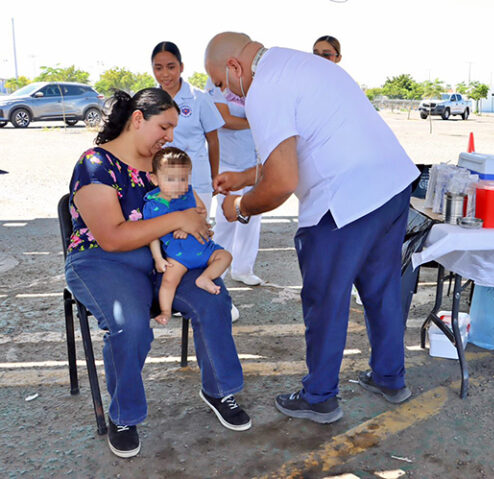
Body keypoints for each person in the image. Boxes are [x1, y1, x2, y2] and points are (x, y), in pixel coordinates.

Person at [204, 32, 419, 424]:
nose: (226, 92)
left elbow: (282, 181)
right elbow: (301, 147)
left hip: (343, 200)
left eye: (221, 83)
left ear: (234, 66)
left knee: (326, 299)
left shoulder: (263, 89)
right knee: (382, 288)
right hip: (390, 187)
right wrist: (245, 177)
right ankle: (390, 377)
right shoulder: (297, 65)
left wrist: (240, 207)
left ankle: (320, 396)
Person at [64, 89, 250, 459]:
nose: (170, 136)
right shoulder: (95, 164)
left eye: (173, 129)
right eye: (164, 126)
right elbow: (112, 237)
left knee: (213, 299)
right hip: (102, 261)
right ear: (138, 119)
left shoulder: (161, 165)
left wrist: (196, 221)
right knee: (129, 325)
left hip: (164, 260)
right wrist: (177, 218)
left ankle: (218, 389)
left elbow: (194, 212)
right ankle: (124, 415)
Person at [144, 147, 233, 325]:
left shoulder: (189, 193)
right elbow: (151, 235)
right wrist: (158, 259)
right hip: (179, 256)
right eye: (171, 179)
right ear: (155, 179)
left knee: (225, 256)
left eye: (183, 179)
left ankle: (205, 278)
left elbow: (201, 212)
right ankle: (165, 311)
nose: (178, 184)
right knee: (169, 281)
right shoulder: (153, 205)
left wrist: (187, 226)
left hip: (204, 248)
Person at [151, 41, 224, 211]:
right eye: (158, 68)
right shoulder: (149, 101)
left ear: (181, 67)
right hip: (161, 183)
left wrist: (214, 177)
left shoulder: (200, 99)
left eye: (171, 67)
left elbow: (213, 141)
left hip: (196, 180)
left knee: (198, 226)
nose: (165, 74)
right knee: (164, 227)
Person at [205, 78, 264, 286]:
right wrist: (254, 123)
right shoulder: (215, 81)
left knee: (252, 215)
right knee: (225, 219)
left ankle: (243, 268)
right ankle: (216, 272)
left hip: (253, 160)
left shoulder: (253, 80)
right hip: (227, 162)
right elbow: (223, 119)